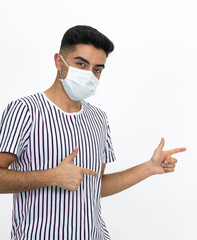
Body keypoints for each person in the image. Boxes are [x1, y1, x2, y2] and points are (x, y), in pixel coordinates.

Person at [0, 25, 186, 240]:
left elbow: (95, 186)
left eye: (97, 69)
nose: (89, 75)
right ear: (59, 61)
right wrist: (51, 177)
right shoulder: (25, 110)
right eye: (81, 64)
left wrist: (149, 168)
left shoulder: (98, 119)